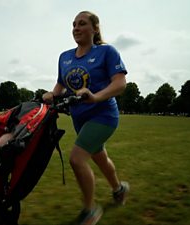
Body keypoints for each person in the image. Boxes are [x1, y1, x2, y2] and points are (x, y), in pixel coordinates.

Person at [42, 11, 129, 225]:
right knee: (100, 158)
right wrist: (50, 96)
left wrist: (95, 96)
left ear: (95, 29)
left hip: (104, 115)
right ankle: (119, 189)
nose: (76, 28)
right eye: (74, 25)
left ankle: (90, 210)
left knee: (77, 158)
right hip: (79, 119)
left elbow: (120, 83)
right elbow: (60, 86)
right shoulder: (64, 57)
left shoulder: (107, 52)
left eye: (82, 24)